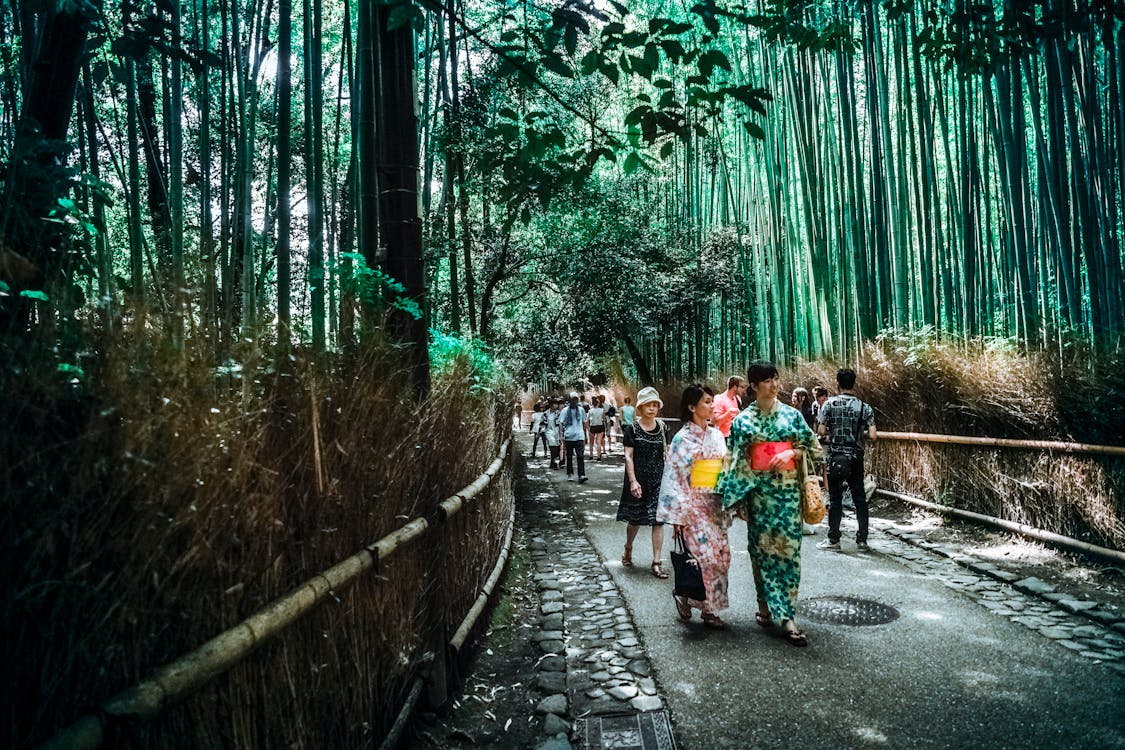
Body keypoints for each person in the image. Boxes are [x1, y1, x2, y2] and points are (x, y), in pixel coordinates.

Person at [717, 361, 821, 647]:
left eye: (776, 379)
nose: (775, 384)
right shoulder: (742, 422)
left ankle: (786, 615)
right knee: (761, 553)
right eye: (767, 380)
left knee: (789, 554)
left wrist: (791, 454)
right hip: (759, 497)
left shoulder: (792, 416)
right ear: (753, 385)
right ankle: (764, 605)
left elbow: (814, 449)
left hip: (787, 495)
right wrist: (738, 501)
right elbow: (734, 461)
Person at [658, 384, 731, 629]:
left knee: (721, 557)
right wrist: (677, 516)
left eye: (712, 401)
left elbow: (725, 470)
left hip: (714, 503)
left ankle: (710, 609)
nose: (712, 406)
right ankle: (689, 598)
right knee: (701, 558)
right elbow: (674, 478)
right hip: (692, 506)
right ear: (692, 407)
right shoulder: (682, 438)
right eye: (707, 402)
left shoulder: (717, 435)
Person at [816, 368, 877, 552]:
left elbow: (820, 431)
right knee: (859, 499)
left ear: (838, 383)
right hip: (856, 456)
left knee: (835, 499)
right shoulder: (864, 407)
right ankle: (862, 541)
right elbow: (873, 435)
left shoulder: (829, 404)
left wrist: (833, 434)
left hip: (836, 457)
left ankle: (834, 539)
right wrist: (858, 433)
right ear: (854, 383)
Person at [618, 386, 670, 578]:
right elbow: (628, 456)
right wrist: (633, 481)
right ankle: (628, 547)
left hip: (658, 480)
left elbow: (668, 453)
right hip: (638, 479)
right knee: (635, 520)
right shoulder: (632, 429)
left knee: (659, 521)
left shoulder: (663, 427)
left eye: (655, 405)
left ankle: (656, 562)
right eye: (648, 405)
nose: (652, 408)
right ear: (640, 407)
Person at [559, 392, 589, 483]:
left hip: (579, 436)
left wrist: (585, 435)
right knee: (569, 456)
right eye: (573, 399)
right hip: (568, 436)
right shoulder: (564, 411)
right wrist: (561, 435)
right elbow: (561, 423)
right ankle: (570, 473)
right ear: (570, 400)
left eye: (576, 399)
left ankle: (581, 475)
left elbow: (584, 423)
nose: (574, 401)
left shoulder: (581, 410)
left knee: (580, 456)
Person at [545, 399, 563, 469]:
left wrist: (561, 433)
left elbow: (561, 423)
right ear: (551, 405)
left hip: (557, 432)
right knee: (552, 447)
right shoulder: (546, 413)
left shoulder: (558, 413)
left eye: (556, 404)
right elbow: (543, 423)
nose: (556, 405)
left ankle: (552, 462)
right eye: (555, 404)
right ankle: (554, 462)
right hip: (549, 431)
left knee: (557, 447)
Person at [587, 395, 607, 460]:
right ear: (598, 403)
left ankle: (591, 455)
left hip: (592, 427)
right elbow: (604, 420)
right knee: (598, 442)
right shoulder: (602, 410)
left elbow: (587, 421)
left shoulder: (590, 411)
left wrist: (588, 428)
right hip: (600, 426)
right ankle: (598, 456)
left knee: (591, 442)